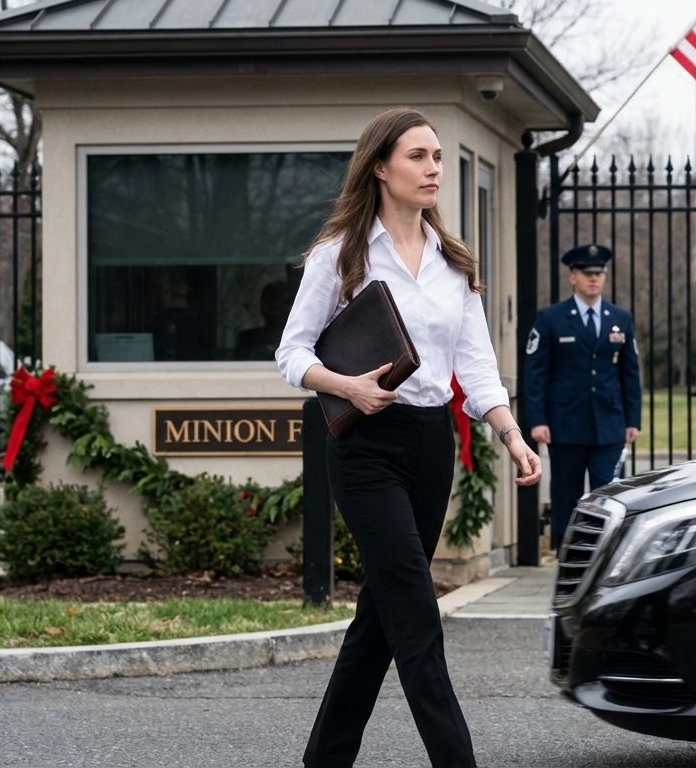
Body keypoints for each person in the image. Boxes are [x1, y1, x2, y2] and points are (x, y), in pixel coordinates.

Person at [276, 107, 541, 768]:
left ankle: (324, 759)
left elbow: (475, 363)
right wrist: (346, 385)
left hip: (431, 446)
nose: (432, 169)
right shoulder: (340, 254)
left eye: (437, 157)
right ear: (381, 167)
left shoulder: (454, 262)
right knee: (417, 616)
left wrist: (509, 435)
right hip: (366, 446)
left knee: (381, 617)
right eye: (418, 156)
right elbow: (291, 352)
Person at [524, 244, 640, 549]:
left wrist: (633, 419)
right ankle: (567, 552)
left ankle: (609, 550)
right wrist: (537, 420)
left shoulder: (620, 318)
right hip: (566, 424)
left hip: (609, 424)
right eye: (587, 274)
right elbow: (536, 373)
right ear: (573, 277)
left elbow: (630, 373)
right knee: (566, 495)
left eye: (599, 274)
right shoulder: (551, 318)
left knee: (611, 493)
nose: (594, 279)